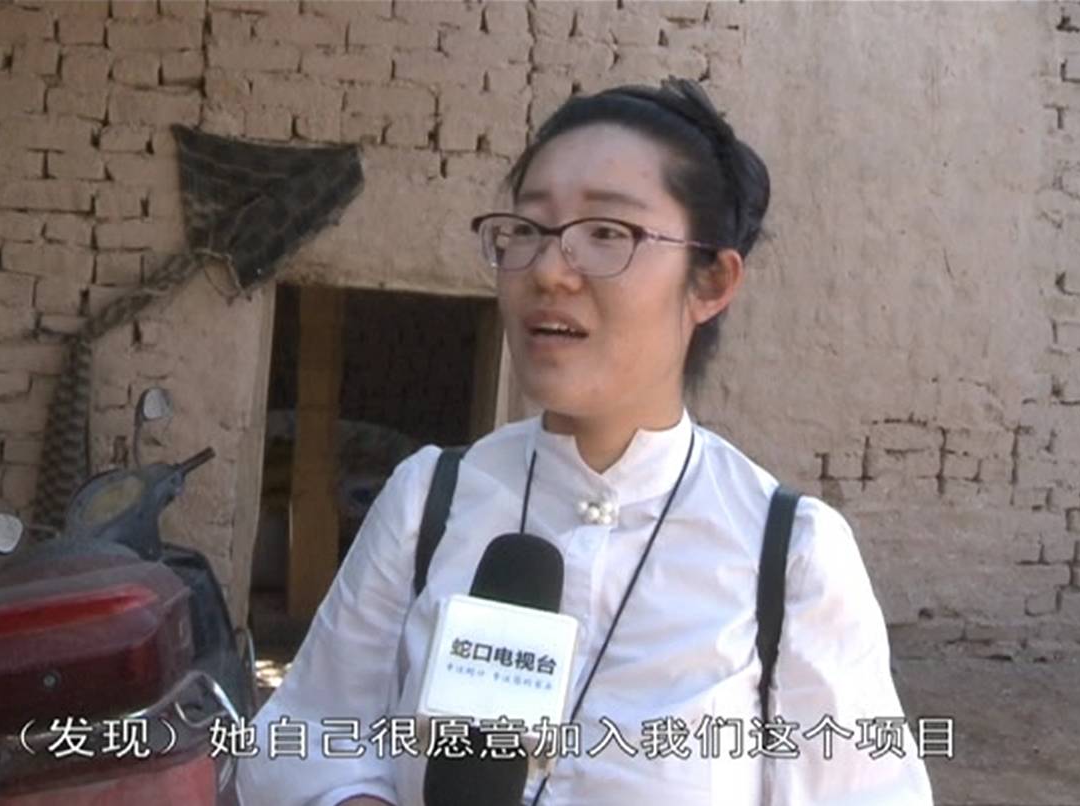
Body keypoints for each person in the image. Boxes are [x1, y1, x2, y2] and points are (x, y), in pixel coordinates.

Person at [236, 77, 934, 805]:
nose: (548, 270)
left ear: (710, 282)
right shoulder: (429, 502)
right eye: (527, 230)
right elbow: (303, 738)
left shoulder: (787, 557)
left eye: (607, 233)